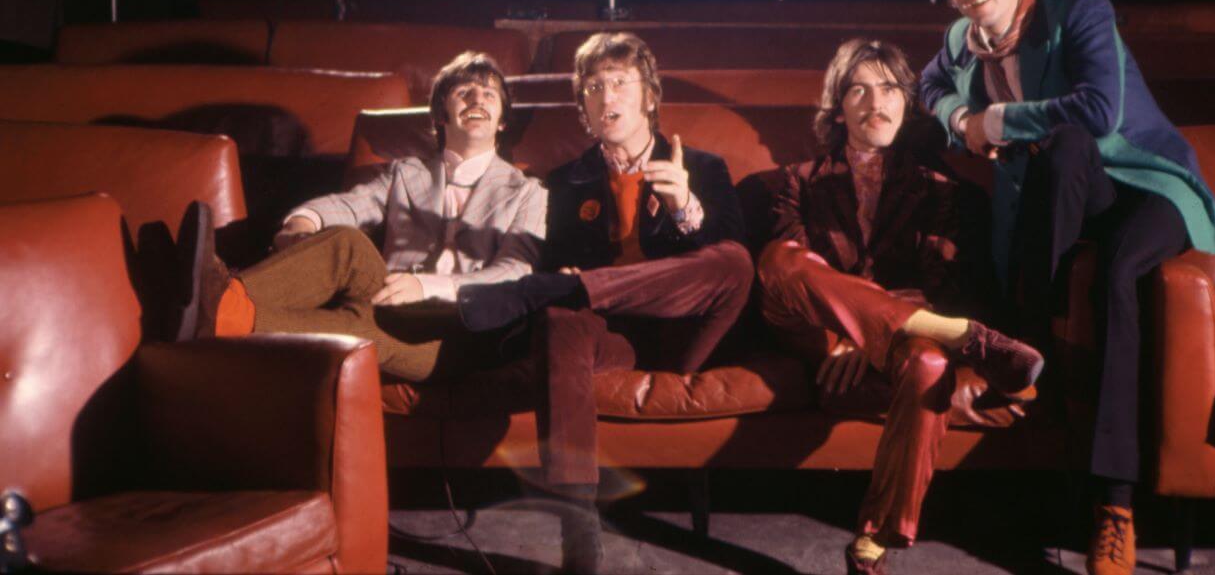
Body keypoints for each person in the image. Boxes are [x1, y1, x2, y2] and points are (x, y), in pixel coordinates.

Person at [919, 0, 1215, 575]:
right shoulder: (960, 37)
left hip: (1146, 187)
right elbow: (929, 85)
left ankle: (1113, 505)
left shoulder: (1079, 12)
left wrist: (993, 119)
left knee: (1115, 264)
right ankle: (1039, 353)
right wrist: (957, 118)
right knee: (1061, 156)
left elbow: (1097, 111)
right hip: (1065, 198)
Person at [455, 31, 753, 573]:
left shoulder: (704, 168)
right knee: (561, 314)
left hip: (687, 332)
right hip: (610, 337)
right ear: (583, 108)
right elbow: (563, 258)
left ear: (649, 96)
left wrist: (686, 207)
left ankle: (568, 289)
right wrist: (574, 282)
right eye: (593, 87)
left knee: (733, 262)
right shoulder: (566, 183)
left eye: (620, 83)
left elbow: (730, 261)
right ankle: (576, 516)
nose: (607, 97)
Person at [758, 37, 1044, 575]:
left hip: (900, 352)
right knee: (780, 260)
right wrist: (841, 336)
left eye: (889, 88)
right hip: (814, 340)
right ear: (837, 108)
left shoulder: (944, 192)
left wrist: (869, 335)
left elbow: (948, 287)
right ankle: (964, 336)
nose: (875, 103)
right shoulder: (796, 184)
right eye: (858, 90)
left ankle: (874, 539)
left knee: (932, 363)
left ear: (907, 102)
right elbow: (791, 285)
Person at [175, 50, 547, 383]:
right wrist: (302, 222)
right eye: (464, 91)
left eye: (489, 94)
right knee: (347, 246)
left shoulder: (530, 192)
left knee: (361, 325)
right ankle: (220, 308)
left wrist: (427, 287)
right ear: (440, 115)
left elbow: (514, 272)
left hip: (464, 332)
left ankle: (212, 300)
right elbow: (352, 204)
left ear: (502, 122)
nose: (477, 99)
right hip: (390, 305)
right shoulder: (407, 173)